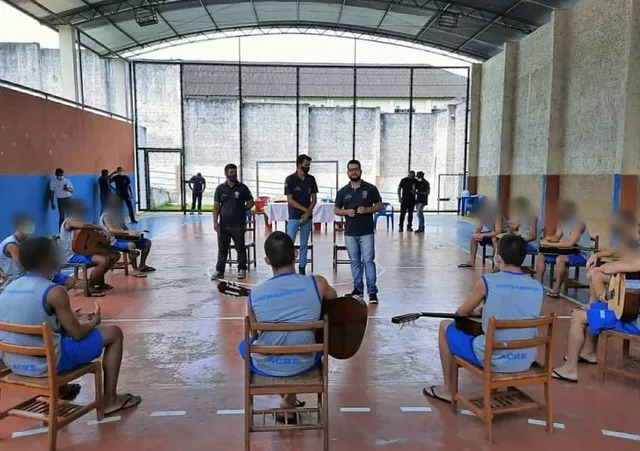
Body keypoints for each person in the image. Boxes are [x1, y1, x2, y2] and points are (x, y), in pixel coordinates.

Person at [0, 237, 142, 415]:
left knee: (55, 335)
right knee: (114, 333)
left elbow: (32, 317)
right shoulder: (54, 291)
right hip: (46, 365)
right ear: (46, 260)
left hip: (14, 362)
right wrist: (93, 322)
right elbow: (77, 333)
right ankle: (110, 400)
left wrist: (69, 317)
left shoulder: (8, 289)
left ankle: (62, 391)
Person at [423, 234, 544, 402]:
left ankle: (448, 390)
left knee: (445, 326)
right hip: (526, 358)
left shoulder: (487, 281)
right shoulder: (537, 286)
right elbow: (517, 310)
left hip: (493, 358)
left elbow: (461, 313)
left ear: (498, 257)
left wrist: (479, 310)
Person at [239, 231, 337, 421]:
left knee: (245, 345)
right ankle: (289, 400)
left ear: (267, 260)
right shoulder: (318, 283)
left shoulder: (255, 295)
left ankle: (288, 399)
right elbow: (335, 300)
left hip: (267, 365)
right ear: (296, 254)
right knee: (308, 341)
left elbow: (255, 334)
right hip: (305, 362)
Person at [552, 254, 640, 383]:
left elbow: (610, 268)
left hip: (633, 321)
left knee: (578, 316)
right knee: (593, 308)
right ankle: (588, 352)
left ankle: (569, 369)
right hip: (632, 313)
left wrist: (600, 268)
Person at [334, 159, 383, 304]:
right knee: (354, 262)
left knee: (368, 261)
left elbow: (379, 205)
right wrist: (346, 212)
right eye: (351, 170)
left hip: (366, 231)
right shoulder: (343, 191)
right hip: (350, 232)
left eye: (356, 169)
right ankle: (358, 289)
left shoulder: (370, 188)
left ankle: (372, 292)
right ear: (348, 172)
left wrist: (367, 209)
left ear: (360, 171)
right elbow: (336, 209)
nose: (354, 172)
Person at [60, 200, 119, 297]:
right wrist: (99, 228)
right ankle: (90, 286)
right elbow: (83, 226)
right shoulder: (69, 221)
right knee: (102, 260)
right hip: (72, 255)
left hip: (83, 252)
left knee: (114, 256)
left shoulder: (79, 221)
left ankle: (98, 281)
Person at [0, 213, 75, 290]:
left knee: (70, 282)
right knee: (47, 287)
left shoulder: (27, 240)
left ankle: (52, 294)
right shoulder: (11, 245)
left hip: (34, 273)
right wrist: (41, 273)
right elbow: (22, 267)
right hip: (18, 277)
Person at [535, 200, 591, 297]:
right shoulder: (562, 222)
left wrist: (549, 244)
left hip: (580, 253)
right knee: (541, 256)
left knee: (560, 259)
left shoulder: (579, 224)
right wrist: (548, 239)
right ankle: (537, 284)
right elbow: (557, 236)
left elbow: (570, 243)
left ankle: (557, 289)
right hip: (566, 251)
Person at [211, 164, 254, 280]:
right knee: (222, 249)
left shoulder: (243, 188)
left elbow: (251, 202)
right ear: (226, 174)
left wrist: (242, 209)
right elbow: (216, 207)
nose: (233, 175)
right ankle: (219, 271)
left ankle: (242, 269)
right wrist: (215, 222)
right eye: (231, 173)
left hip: (238, 225)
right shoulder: (220, 189)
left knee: (240, 248)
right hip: (224, 225)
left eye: (235, 172)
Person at [100, 195, 155, 277]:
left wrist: (134, 233)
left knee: (147, 242)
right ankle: (135, 269)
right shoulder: (106, 215)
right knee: (131, 245)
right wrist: (127, 232)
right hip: (114, 240)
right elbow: (111, 230)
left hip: (123, 238)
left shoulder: (118, 215)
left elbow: (125, 228)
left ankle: (142, 265)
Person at [285, 154, 318, 275]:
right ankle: (288, 267)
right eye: (306, 165)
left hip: (307, 217)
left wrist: (308, 212)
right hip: (294, 216)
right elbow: (290, 200)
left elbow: (314, 199)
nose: (307, 167)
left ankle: (302, 267)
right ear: (299, 165)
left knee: (304, 243)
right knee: (289, 243)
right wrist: (305, 210)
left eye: (309, 165)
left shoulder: (311, 179)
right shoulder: (290, 179)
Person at [458, 200, 508, 268]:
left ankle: (497, 264)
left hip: (504, 233)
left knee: (494, 239)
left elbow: (498, 231)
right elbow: (478, 228)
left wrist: (483, 235)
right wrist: (476, 235)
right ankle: (471, 262)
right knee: (473, 238)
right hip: (493, 232)